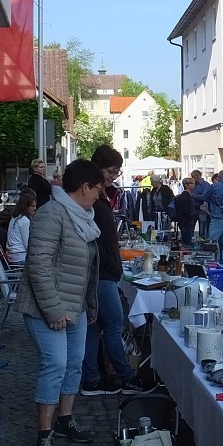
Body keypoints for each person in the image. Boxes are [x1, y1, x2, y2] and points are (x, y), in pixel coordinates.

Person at [16, 159, 103, 446]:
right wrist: (54, 310)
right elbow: (38, 267)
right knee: (55, 364)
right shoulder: (52, 214)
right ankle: (45, 432)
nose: (98, 195)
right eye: (97, 189)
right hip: (44, 307)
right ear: (85, 187)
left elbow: (87, 268)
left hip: (75, 306)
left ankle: (65, 419)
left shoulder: (84, 217)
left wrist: (89, 305)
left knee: (74, 364)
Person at [81, 145, 146, 396]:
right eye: (110, 171)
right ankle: (125, 375)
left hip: (103, 269)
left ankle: (93, 378)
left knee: (95, 327)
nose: (113, 176)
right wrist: (110, 261)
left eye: (117, 172)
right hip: (101, 272)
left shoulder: (104, 197)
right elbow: (95, 239)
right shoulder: (93, 200)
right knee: (113, 324)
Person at [4, 190, 37, 265]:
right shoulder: (24, 221)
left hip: (13, 255)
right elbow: (27, 245)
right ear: (26, 207)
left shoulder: (15, 217)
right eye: (32, 206)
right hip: (20, 257)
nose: (35, 208)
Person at [175, 177, 198, 245]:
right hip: (185, 222)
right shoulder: (185, 195)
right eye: (192, 183)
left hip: (185, 221)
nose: (194, 185)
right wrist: (191, 218)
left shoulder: (187, 195)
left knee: (187, 240)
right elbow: (186, 208)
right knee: (187, 241)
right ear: (186, 185)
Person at [191, 169, 212, 239]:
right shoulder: (193, 185)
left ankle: (203, 241)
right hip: (194, 208)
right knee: (191, 226)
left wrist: (193, 196)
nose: (192, 179)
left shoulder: (206, 185)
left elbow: (204, 197)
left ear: (197, 176)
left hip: (202, 209)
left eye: (193, 177)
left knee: (202, 228)